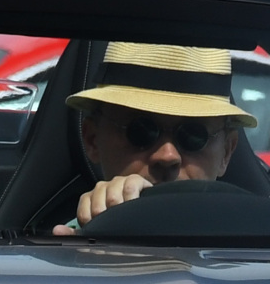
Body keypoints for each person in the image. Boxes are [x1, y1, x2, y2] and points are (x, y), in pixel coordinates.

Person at [54, 41, 259, 234]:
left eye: (193, 136)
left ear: (226, 152)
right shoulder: (74, 243)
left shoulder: (258, 242)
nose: (167, 156)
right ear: (92, 140)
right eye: (141, 131)